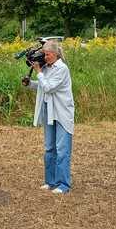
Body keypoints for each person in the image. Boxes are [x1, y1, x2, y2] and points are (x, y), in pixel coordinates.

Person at [22, 40, 74, 194]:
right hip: (49, 112)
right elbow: (42, 86)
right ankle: (50, 181)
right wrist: (30, 83)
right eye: (44, 54)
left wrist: (38, 72)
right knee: (49, 148)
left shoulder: (62, 69)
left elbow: (50, 87)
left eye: (48, 54)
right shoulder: (46, 68)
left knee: (62, 149)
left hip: (62, 112)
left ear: (56, 54)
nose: (45, 57)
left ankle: (63, 184)